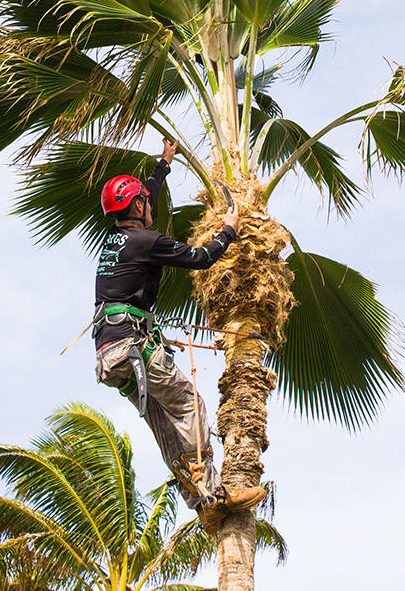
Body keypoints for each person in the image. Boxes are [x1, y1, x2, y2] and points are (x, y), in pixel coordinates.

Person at [93, 139, 265, 533]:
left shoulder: (118, 239)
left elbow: (143, 195)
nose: (150, 204)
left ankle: (202, 503)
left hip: (110, 358)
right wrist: (229, 230)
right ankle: (218, 492)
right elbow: (201, 258)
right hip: (135, 350)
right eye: (145, 201)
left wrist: (163, 165)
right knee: (189, 404)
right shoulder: (148, 242)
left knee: (166, 426)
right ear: (137, 208)